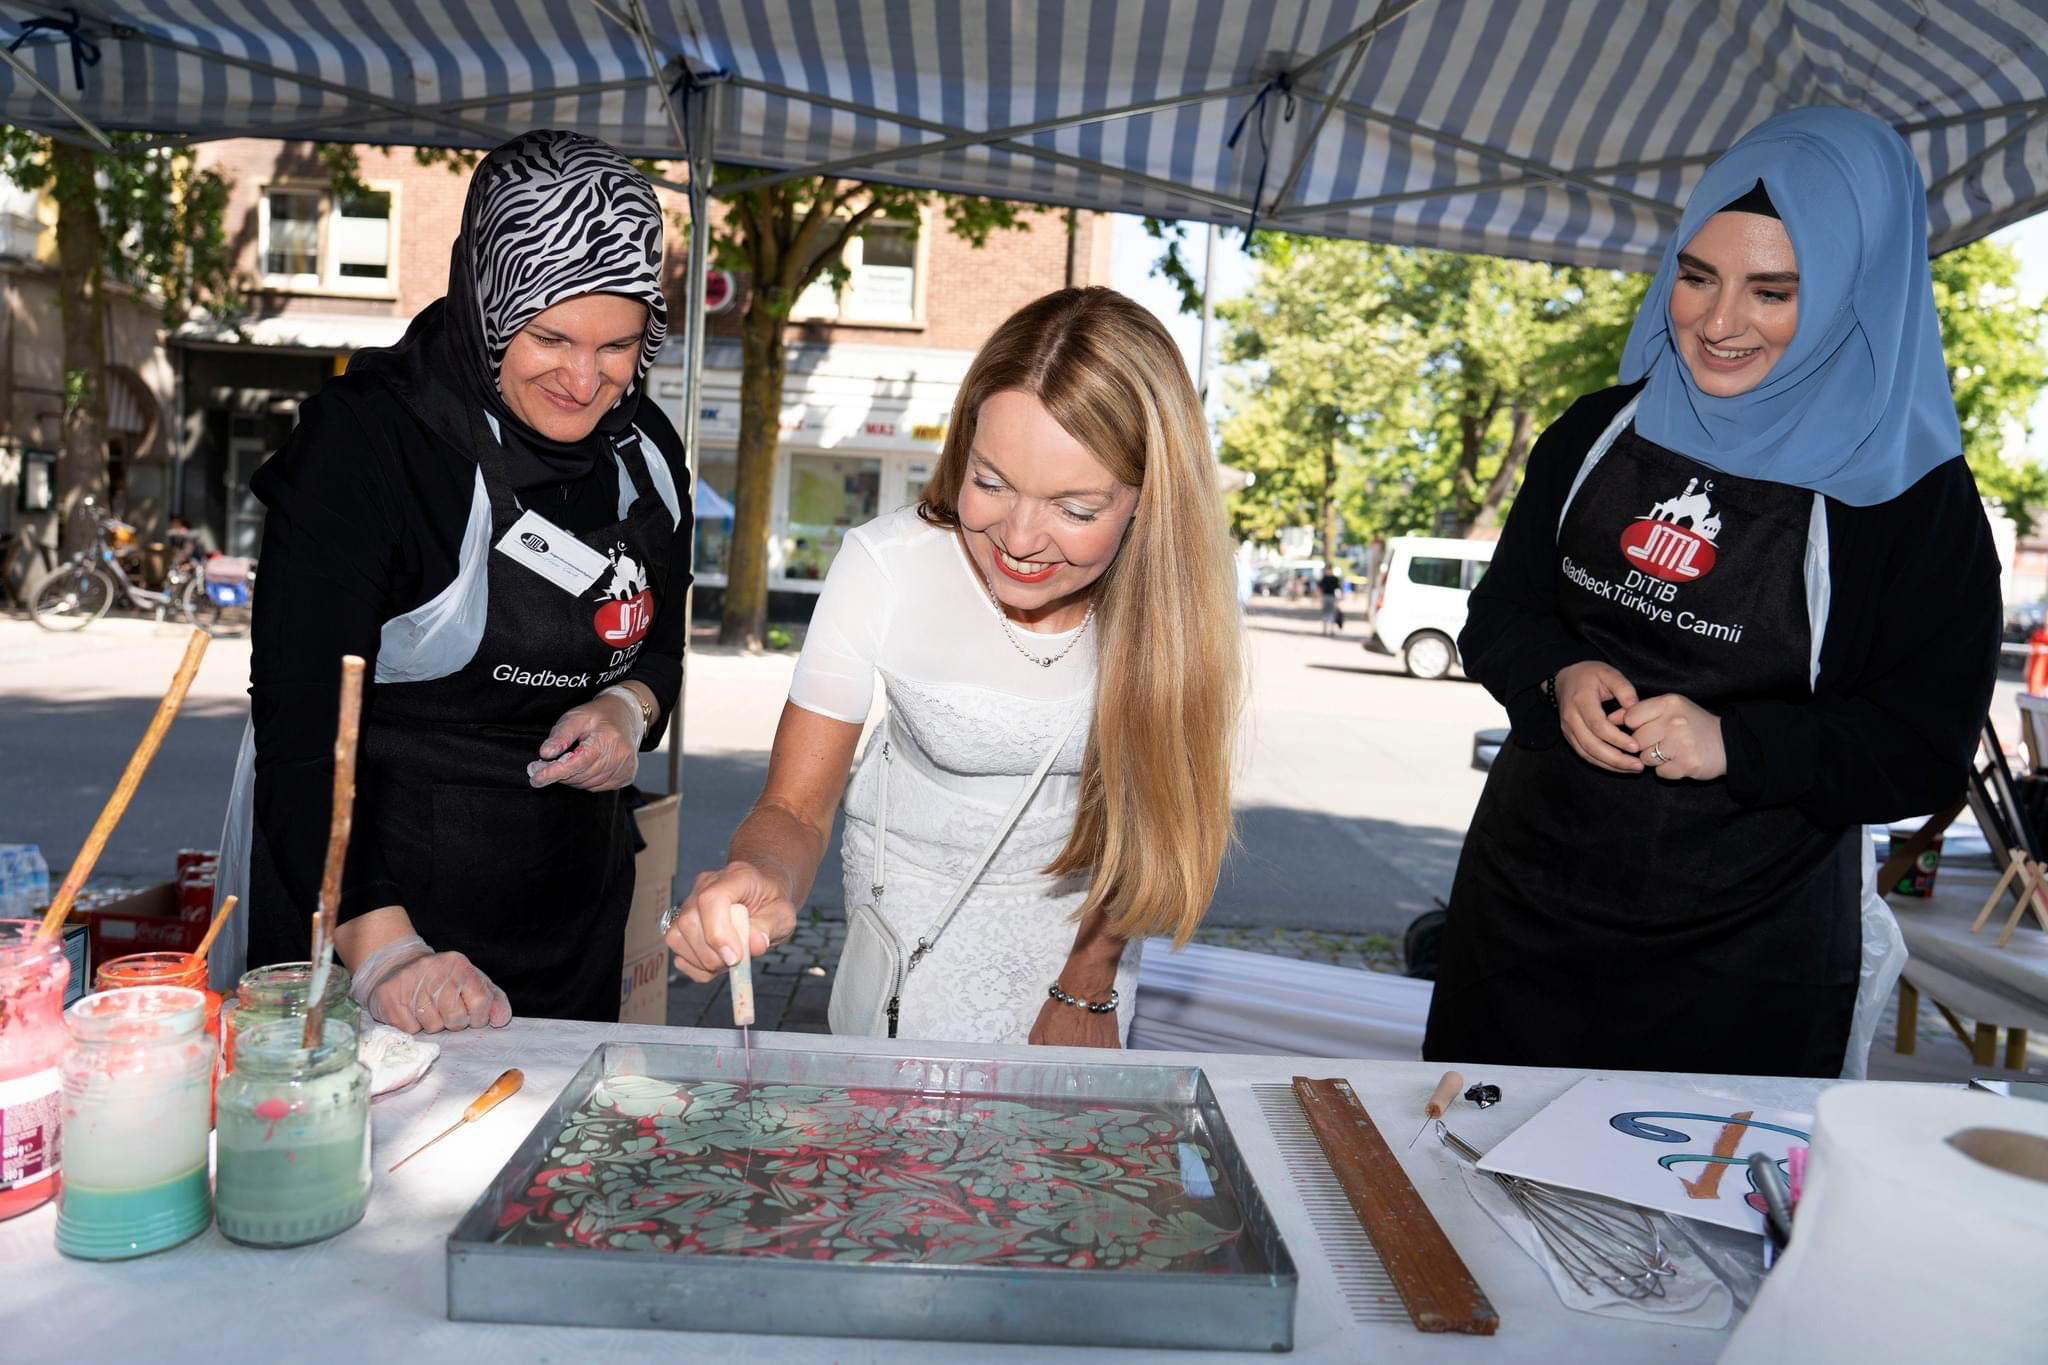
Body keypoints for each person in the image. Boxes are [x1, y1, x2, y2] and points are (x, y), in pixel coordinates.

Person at [1421, 108, 2000, 1079]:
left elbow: (1920, 749)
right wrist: (1557, 673)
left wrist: (1733, 745)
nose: (1716, 322)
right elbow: (1499, 617)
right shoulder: (1593, 431)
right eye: (1695, 276)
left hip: (1742, 967)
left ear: (1855, 294)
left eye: (1771, 292)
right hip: (1522, 924)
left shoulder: (1908, 503)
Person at [664, 287, 1243, 1045]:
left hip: (1082, 957)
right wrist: (759, 876)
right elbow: (796, 809)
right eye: (991, 482)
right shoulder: (885, 565)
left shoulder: (1176, 602)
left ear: (1149, 500)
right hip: (906, 958)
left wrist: (1089, 984)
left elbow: (1160, 822)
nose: (1022, 538)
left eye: (1075, 509)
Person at [221, 130, 690, 1031]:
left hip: (568, 916)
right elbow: (303, 734)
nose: (585, 378)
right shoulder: (366, 447)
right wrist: (390, 951)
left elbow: (661, 645)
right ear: (486, 298)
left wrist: (628, 708)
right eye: (549, 335)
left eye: (619, 345)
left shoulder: (643, 450)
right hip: (372, 910)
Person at [1317, 564, 1344, 635]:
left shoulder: (1334, 579)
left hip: (1332, 597)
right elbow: (1320, 588)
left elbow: (1338, 589)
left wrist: (1339, 598)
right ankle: (1325, 630)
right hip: (1326, 596)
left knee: (1332, 613)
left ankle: (1331, 630)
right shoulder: (1324, 578)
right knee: (1325, 613)